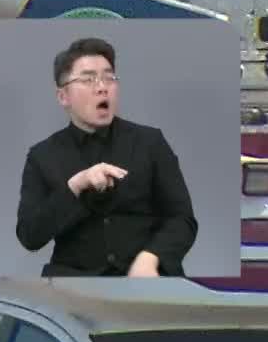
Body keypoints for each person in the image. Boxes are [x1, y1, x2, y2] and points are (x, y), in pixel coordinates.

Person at [14, 35, 196, 276]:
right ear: (63, 97)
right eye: (88, 80)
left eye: (109, 78)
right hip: (76, 286)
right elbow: (30, 235)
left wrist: (151, 258)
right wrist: (75, 186)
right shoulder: (42, 156)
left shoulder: (150, 142)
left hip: (147, 281)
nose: (102, 87)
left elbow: (182, 220)